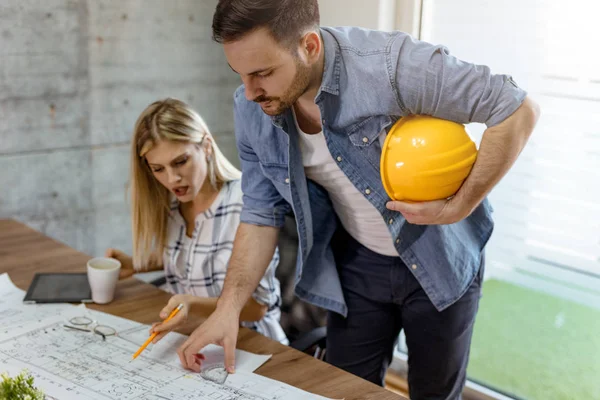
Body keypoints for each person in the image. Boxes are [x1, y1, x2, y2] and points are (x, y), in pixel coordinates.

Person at [173, 1, 540, 398]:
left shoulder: (390, 65)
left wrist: (460, 205)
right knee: (344, 391)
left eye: (263, 73)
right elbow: (261, 213)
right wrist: (227, 310)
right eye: (240, 75)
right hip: (357, 262)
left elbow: (516, 109)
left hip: (440, 256)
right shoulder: (251, 107)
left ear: (309, 46)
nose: (249, 92)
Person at [105, 98, 287, 344]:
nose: (173, 179)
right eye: (158, 169)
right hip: (195, 338)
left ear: (207, 147)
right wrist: (138, 264)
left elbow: (258, 308)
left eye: (181, 162)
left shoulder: (247, 205)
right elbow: (197, 253)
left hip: (252, 345)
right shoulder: (173, 205)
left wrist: (192, 305)